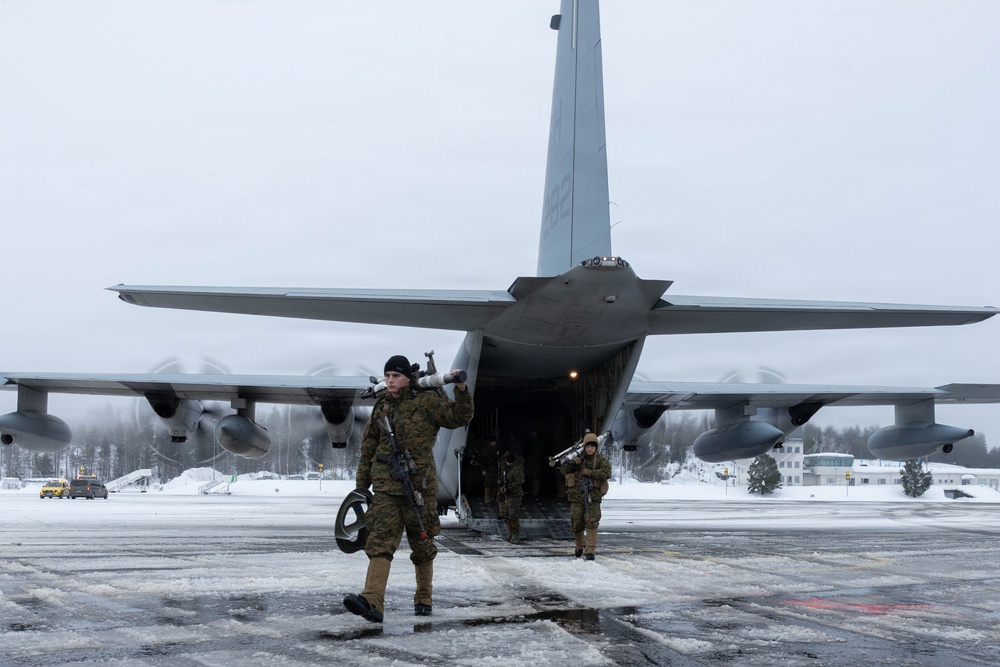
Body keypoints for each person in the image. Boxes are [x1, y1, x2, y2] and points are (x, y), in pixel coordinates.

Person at [343, 354, 474, 623]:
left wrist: (461, 388)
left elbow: (459, 416)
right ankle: (372, 601)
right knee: (379, 545)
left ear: (407, 378)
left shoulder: (427, 402)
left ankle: (424, 598)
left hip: (419, 489)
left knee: (423, 545)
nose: (390, 381)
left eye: (396, 376)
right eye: (387, 376)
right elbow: (368, 449)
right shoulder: (381, 407)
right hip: (386, 489)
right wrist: (361, 487)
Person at [560, 432, 611, 560]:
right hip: (577, 497)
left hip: (592, 498)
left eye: (592, 446)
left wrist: (589, 472)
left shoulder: (600, 460)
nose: (590, 449)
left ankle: (590, 550)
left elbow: (607, 473)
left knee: (592, 523)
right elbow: (563, 470)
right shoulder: (577, 458)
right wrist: (571, 463)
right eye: (588, 446)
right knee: (576, 523)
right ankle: (579, 546)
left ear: (596, 447)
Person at [500, 451, 525, 543]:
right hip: (509, 495)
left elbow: (520, 481)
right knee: (508, 515)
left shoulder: (516, 469)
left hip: (515, 495)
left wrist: (510, 487)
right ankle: (510, 533)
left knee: (513, 515)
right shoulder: (509, 469)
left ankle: (515, 534)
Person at [480, 436, 499, 503]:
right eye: (494, 442)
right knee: (488, 483)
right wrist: (483, 469)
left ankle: (492, 497)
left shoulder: (495, 448)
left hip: (494, 468)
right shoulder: (485, 449)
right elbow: (482, 460)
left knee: (494, 483)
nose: (495, 443)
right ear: (490, 442)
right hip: (488, 468)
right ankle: (487, 498)